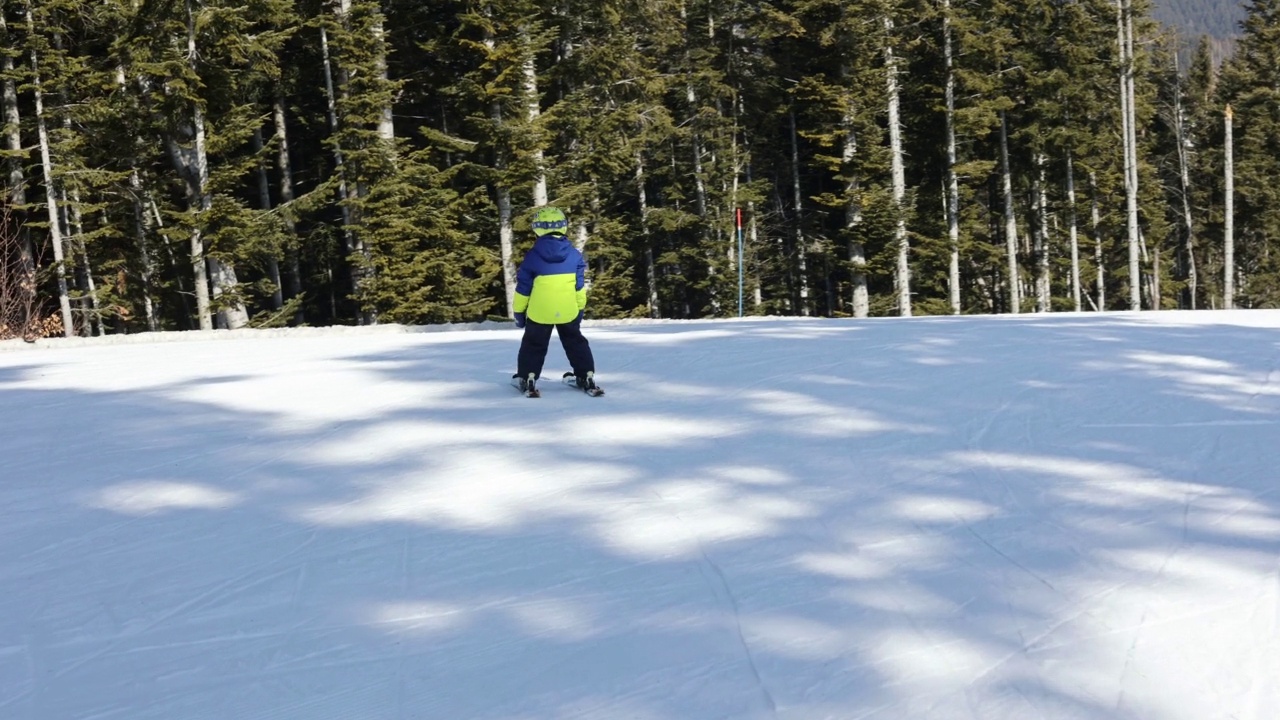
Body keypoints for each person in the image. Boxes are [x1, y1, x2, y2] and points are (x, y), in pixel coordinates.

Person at [512, 206, 598, 395]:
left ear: (538, 228)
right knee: (575, 342)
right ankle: (586, 375)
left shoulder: (533, 256)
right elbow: (579, 287)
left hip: (539, 312)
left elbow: (523, 289)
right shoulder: (574, 254)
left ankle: (528, 377)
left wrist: (519, 312)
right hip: (567, 310)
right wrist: (580, 309)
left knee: (533, 344)